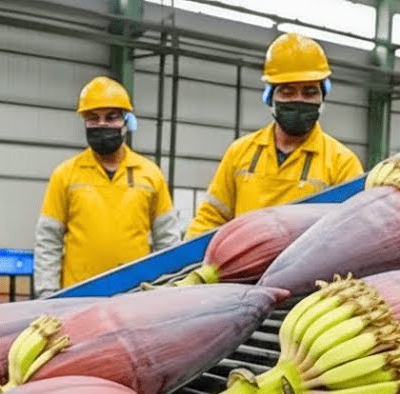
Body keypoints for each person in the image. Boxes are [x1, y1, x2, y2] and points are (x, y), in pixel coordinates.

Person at [184, 32, 363, 239]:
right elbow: (210, 218)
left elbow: (351, 234)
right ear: (270, 97)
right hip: (242, 267)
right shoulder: (241, 152)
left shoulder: (342, 163)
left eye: (309, 92)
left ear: (322, 98)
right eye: (287, 92)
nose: (299, 100)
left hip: (308, 272)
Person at [34, 76, 180, 297]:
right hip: (78, 297)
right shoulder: (65, 175)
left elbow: (168, 241)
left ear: (126, 121)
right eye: (93, 118)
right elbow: (48, 240)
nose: (102, 124)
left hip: (135, 297)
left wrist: (167, 291)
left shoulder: (150, 174)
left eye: (111, 117)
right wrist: (47, 294)